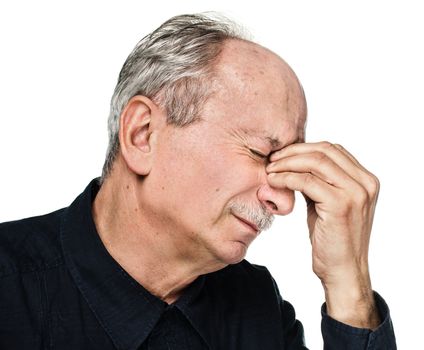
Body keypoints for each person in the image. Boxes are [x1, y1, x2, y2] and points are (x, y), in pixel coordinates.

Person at [0, 13, 396, 349]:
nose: (287, 203)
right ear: (143, 134)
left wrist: (348, 282)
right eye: (262, 153)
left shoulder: (258, 308)